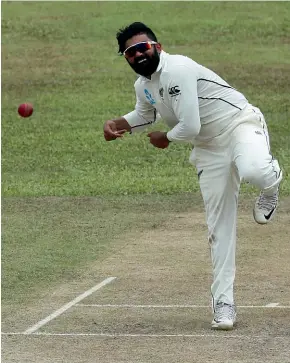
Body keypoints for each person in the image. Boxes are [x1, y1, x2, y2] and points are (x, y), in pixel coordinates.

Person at [103, 22, 283, 330]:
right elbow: (147, 113)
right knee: (218, 226)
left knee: (254, 169)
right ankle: (224, 302)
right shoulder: (142, 85)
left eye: (143, 47)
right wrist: (119, 123)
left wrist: (166, 139)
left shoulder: (179, 69)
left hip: (239, 124)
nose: (138, 55)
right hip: (208, 150)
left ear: (156, 46)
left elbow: (189, 126)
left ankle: (272, 180)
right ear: (126, 58)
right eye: (131, 52)